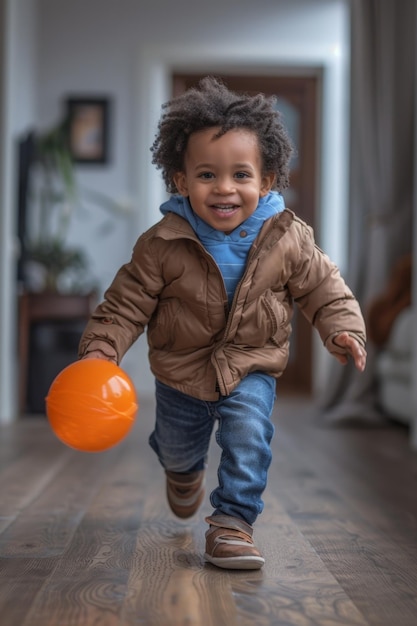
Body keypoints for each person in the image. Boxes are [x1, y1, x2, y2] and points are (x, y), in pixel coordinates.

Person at [78, 77, 367, 571]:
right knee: (177, 446)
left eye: (241, 175)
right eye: (207, 175)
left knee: (249, 433)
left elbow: (324, 286)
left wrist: (342, 329)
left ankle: (232, 525)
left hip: (251, 364)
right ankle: (182, 470)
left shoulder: (288, 238)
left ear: (267, 180)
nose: (225, 188)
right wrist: (101, 351)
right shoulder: (162, 243)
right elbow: (125, 304)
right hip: (180, 370)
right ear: (181, 181)